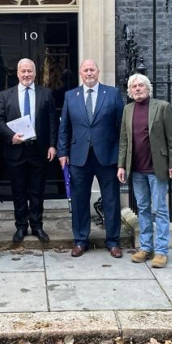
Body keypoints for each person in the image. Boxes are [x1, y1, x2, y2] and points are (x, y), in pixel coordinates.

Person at [57, 59, 125, 258]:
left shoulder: (112, 94)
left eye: (92, 70)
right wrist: (63, 152)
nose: (89, 73)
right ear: (80, 73)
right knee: (79, 201)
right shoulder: (71, 96)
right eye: (85, 70)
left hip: (108, 156)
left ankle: (113, 241)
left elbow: (122, 127)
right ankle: (80, 240)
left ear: (98, 71)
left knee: (111, 200)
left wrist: (121, 158)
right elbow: (64, 127)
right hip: (79, 157)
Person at [117, 73, 172, 268]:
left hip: (157, 168)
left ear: (148, 88)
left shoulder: (162, 107)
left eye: (141, 85)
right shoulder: (128, 110)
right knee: (143, 209)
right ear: (130, 91)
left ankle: (161, 251)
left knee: (159, 209)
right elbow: (124, 140)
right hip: (137, 170)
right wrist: (121, 165)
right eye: (134, 86)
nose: (137, 89)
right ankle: (145, 247)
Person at [0, 58, 58, 243]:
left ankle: (37, 226)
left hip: (39, 150)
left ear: (35, 73)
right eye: (23, 71)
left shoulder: (46, 94)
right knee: (18, 191)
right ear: (18, 73)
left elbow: (53, 121)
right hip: (16, 150)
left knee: (37, 191)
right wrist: (11, 136)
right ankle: (21, 226)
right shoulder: (6, 95)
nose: (26, 74)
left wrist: (53, 145)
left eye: (30, 71)